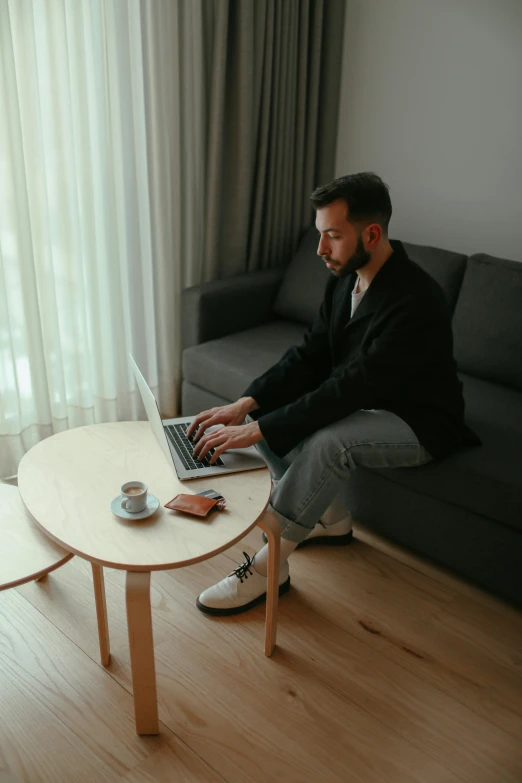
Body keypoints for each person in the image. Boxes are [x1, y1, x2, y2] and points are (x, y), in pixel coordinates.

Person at [187, 172, 481, 616]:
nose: (320, 249)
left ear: (372, 233)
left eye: (332, 236)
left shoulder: (416, 300)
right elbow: (310, 355)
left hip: (420, 420)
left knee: (328, 441)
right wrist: (247, 405)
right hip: (372, 399)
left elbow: (351, 386)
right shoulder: (346, 278)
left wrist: (263, 426)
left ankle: (271, 566)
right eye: (321, 235)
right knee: (269, 415)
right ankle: (331, 519)